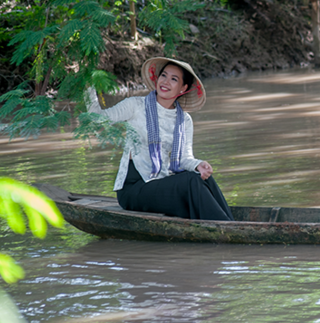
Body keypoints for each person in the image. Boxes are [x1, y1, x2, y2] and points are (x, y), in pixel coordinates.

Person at [85, 57, 233, 221]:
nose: (166, 82)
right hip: (134, 189)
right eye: (164, 75)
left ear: (183, 88)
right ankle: (226, 227)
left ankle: (230, 223)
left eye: (174, 79)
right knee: (191, 181)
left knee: (202, 178)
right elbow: (98, 119)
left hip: (161, 184)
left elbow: (185, 159)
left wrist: (198, 165)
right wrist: (86, 85)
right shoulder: (136, 105)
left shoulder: (184, 120)